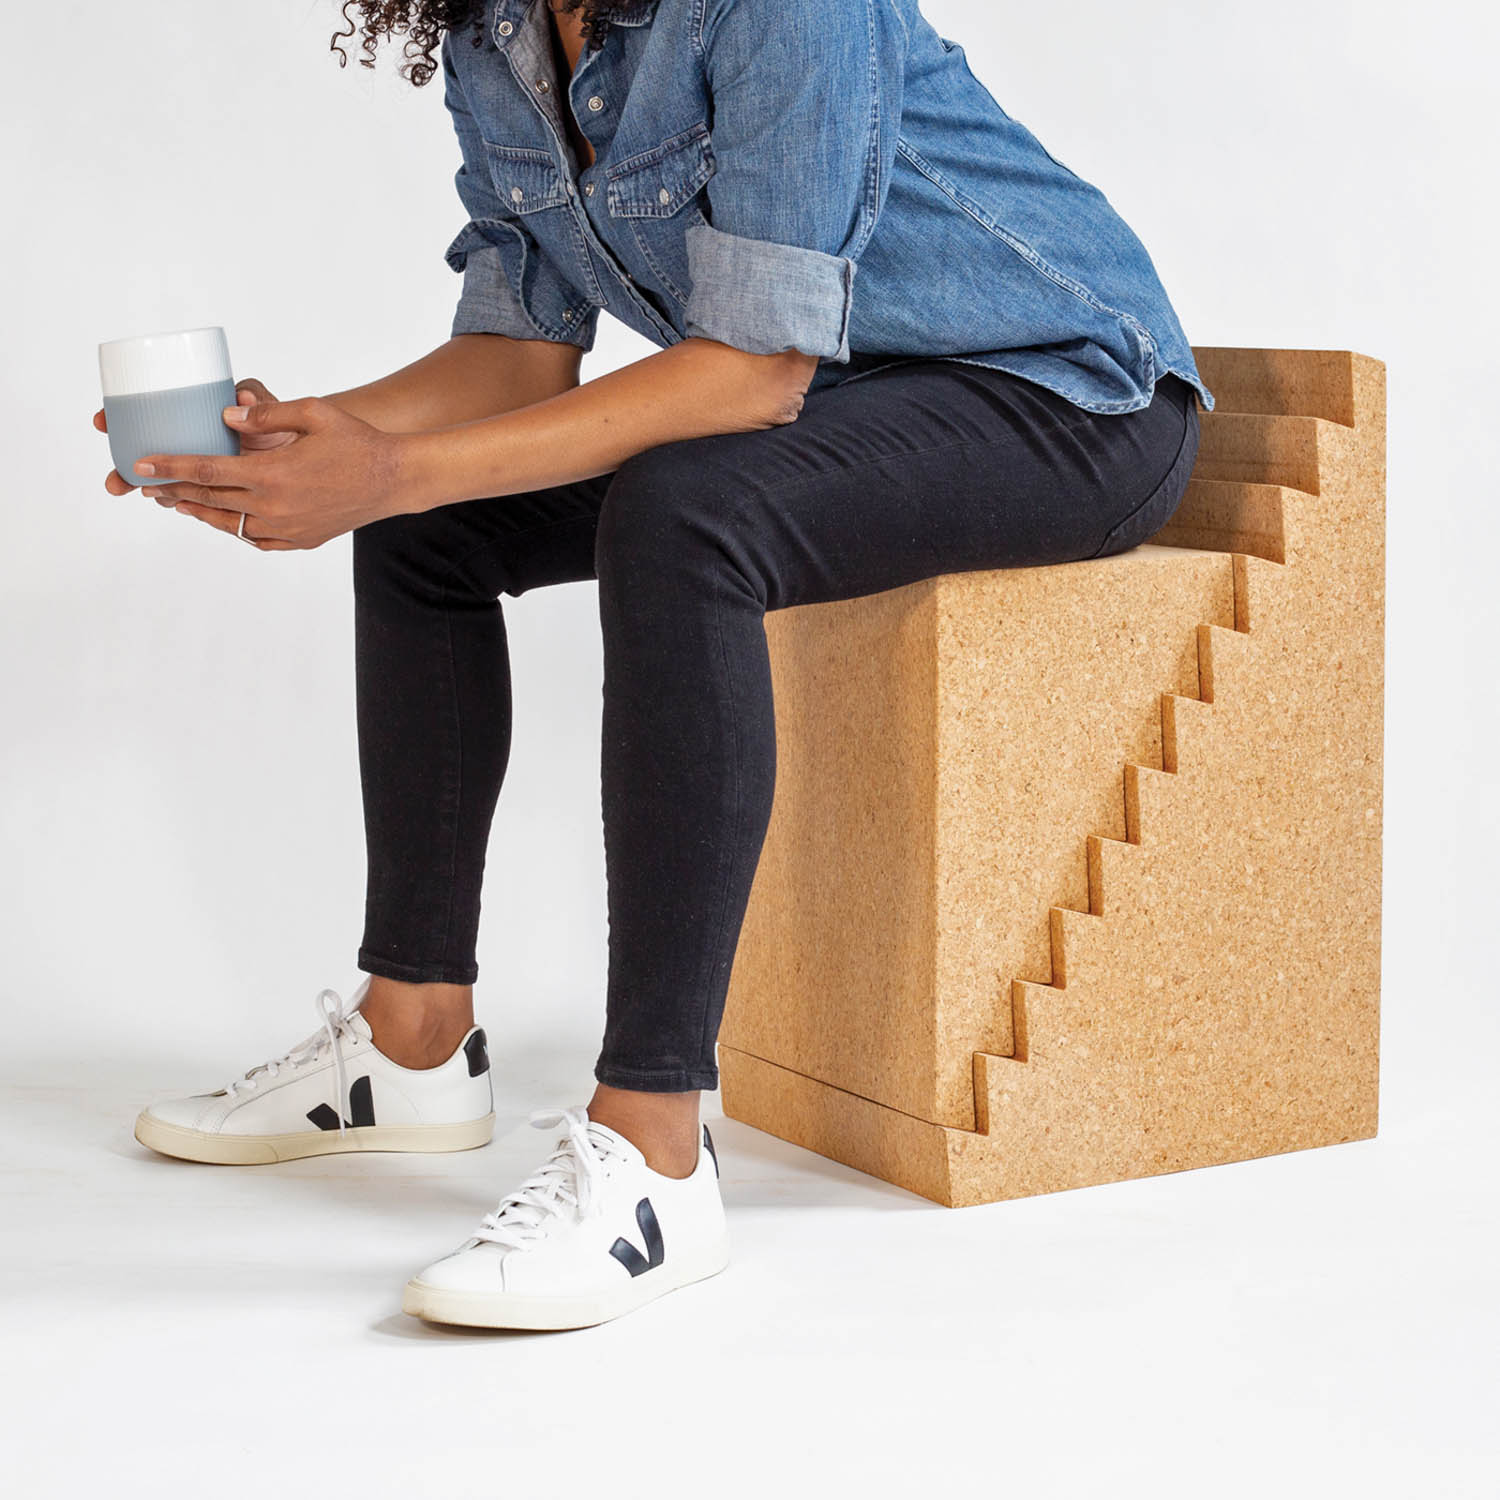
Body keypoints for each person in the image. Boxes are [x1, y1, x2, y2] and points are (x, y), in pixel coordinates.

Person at [96, 0, 1213, 1331]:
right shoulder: (501, 31)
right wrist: (307, 445)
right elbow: (518, 356)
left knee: (683, 519)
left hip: (1066, 395)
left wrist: (388, 467)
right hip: (843, 399)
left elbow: (751, 371)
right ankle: (411, 1041)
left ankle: (656, 1155)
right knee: (427, 530)